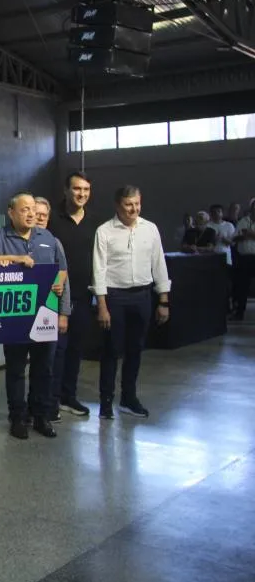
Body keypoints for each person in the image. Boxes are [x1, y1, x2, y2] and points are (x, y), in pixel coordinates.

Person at [0, 192, 67, 440]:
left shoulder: (47, 237)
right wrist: (12, 259)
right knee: (15, 369)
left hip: (45, 314)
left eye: (33, 209)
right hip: (15, 316)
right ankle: (17, 417)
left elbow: (62, 269)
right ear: (11, 212)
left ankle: (41, 416)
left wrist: (60, 290)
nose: (30, 214)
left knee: (43, 369)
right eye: (24, 209)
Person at [93, 185, 171, 419]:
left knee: (135, 350)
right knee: (111, 350)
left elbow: (159, 264)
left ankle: (129, 399)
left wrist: (163, 300)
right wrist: (102, 306)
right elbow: (99, 270)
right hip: (115, 297)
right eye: (128, 204)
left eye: (137, 203)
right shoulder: (104, 231)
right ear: (118, 205)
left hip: (142, 297)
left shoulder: (150, 229)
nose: (134, 209)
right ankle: (106, 402)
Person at [45, 173, 93, 419]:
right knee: (56, 353)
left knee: (75, 350)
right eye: (76, 189)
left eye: (86, 189)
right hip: (56, 297)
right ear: (66, 190)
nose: (81, 194)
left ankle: (68, 396)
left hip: (84, 296)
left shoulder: (95, 221)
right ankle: (50, 402)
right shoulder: (52, 220)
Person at [34, 197, 73, 423]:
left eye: (44, 215)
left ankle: (47, 409)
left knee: (47, 367)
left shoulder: (54, 242)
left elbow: (64, 280)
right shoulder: (21, 243)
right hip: (25, 316)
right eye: (36, 213)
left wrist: (64, 313)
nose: (40, 218)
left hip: (49, 315)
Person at [232, 200, 255, 320]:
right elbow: (234, 238)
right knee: (242, 286)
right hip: (245, 258)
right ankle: (239, 313)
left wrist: (252, 235)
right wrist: (244, 236)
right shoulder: (243, 221)